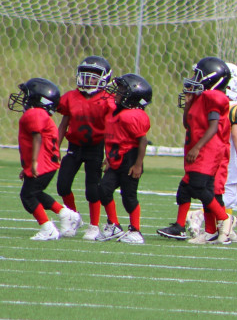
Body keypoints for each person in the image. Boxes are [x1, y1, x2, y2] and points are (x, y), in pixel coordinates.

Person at [157, 57, 234, 244]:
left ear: (210, 79)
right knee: (184, 190)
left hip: (207, 150)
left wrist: (198, 147)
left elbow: (214, 127)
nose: (193, 78)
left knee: (199, 187)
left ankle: (224, 219)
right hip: (196, 149)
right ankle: (185, 228)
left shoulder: (213, 97)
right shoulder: (200, 98)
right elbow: (187, 123)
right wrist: (190, 102)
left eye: (197, 75)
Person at [9, 78, 83, 241]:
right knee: (35, 193)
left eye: (28, 95)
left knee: (27, 196)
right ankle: (67, 215)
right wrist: (28, 165)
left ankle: (48, 228)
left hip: (43, 163)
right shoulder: (40, 114)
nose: (24, 98)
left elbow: (37, 138)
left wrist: (34, 162)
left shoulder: (35, 113)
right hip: (46, 162)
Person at [55, 56, 118, 240]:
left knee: (93, 189)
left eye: (94, 76)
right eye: (86, 75)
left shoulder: (107, 99)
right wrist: (54, 148)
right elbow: (63, 124)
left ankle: (94, 225)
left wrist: (109, 153)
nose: (89, 79)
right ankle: (73, 217)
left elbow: (110, 129)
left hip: (95, 147)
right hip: (74, 146)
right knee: (63, 185)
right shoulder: (71, 97)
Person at [187, 61, 237, 243]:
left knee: (225, 194)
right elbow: (235, 133)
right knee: (225, 195)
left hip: (216, 154)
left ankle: (224, 229)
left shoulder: (210, 102)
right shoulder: (233, 106)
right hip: (225, 156)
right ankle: (207, 219)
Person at [94, 74, 153, 245]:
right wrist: (108, 158)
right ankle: (114, 225)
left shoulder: (131, 116)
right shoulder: (115, 111)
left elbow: (142, 140)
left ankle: (136, 230)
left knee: (129, 197)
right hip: (116, 158)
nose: (117, 93)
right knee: (103, 190)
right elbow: (114, 138)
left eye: (122, 90)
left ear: (133, 97)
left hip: (130, 159)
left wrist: (138, 164)